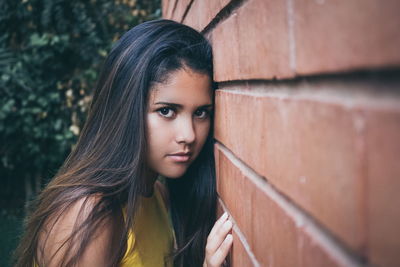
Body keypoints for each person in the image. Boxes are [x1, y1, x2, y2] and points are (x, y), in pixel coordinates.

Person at [14, 19, 233, 267]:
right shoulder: (88, 214)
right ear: (125, 109)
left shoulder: (157, 195)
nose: (189, 135)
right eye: (167, 111)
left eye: (201, 112)